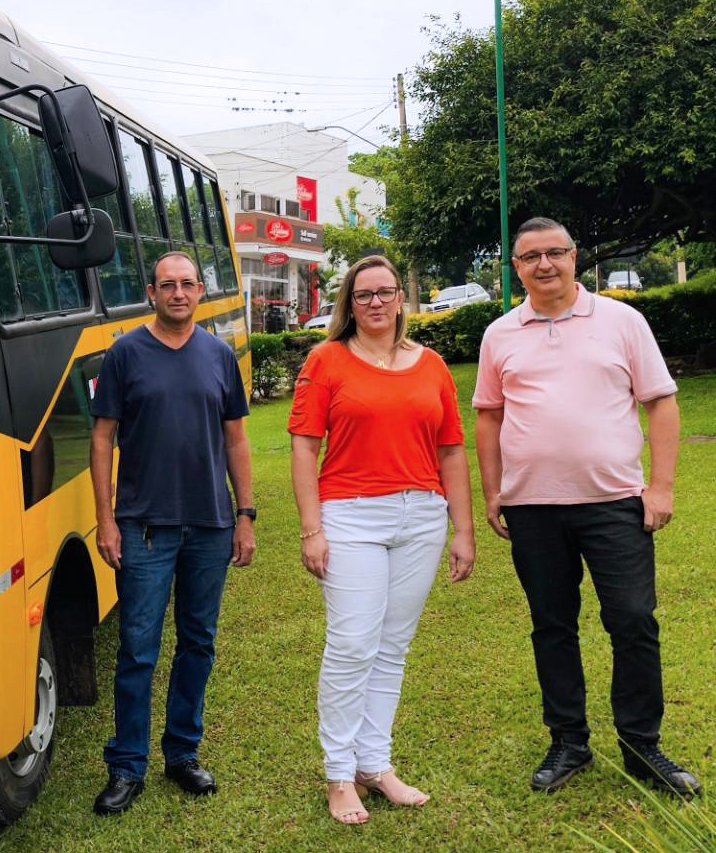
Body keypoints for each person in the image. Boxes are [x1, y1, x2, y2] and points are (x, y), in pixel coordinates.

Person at [473, 217, 701, 797]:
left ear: (576, 258)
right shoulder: (501, 333)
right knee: (552, 626)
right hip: (533, 507)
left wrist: (663, 486)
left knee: (632, 621)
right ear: (516, 268)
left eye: (555, 253)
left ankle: (641, 747)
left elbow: (661, 404)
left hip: (615, 503)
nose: (543, 264)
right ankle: (569, 741)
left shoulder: (623, 321)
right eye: (530, 257)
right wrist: (492, 491)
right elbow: (489, 416)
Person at [288, 255, 474, 825]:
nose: (375, 303)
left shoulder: (433, 365)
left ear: (401, 299)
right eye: (363, 294)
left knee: (392, 647)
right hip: (349, 518)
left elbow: (451, 450)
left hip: (422, 516)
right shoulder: (326, 361)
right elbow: (303, 448)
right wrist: (312, 529)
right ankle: (339, 774)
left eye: (385, 293)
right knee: (351, 646)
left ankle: (375, 763)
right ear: (350, 301)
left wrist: (462, 530)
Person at [88, 250, 256, 816]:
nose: (178, 293)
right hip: (144, 528)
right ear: (151, 293)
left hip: (210, 524)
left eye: (188, 284)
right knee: (138, 648)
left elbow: (236, 440)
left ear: (200, 292)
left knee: (198, 644)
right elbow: (103, 440)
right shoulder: (124, 354)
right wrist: (106, 519)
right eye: (168, 285)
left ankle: (182, 753)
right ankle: (126, 766)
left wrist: (246, 515)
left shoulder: (218, 357)